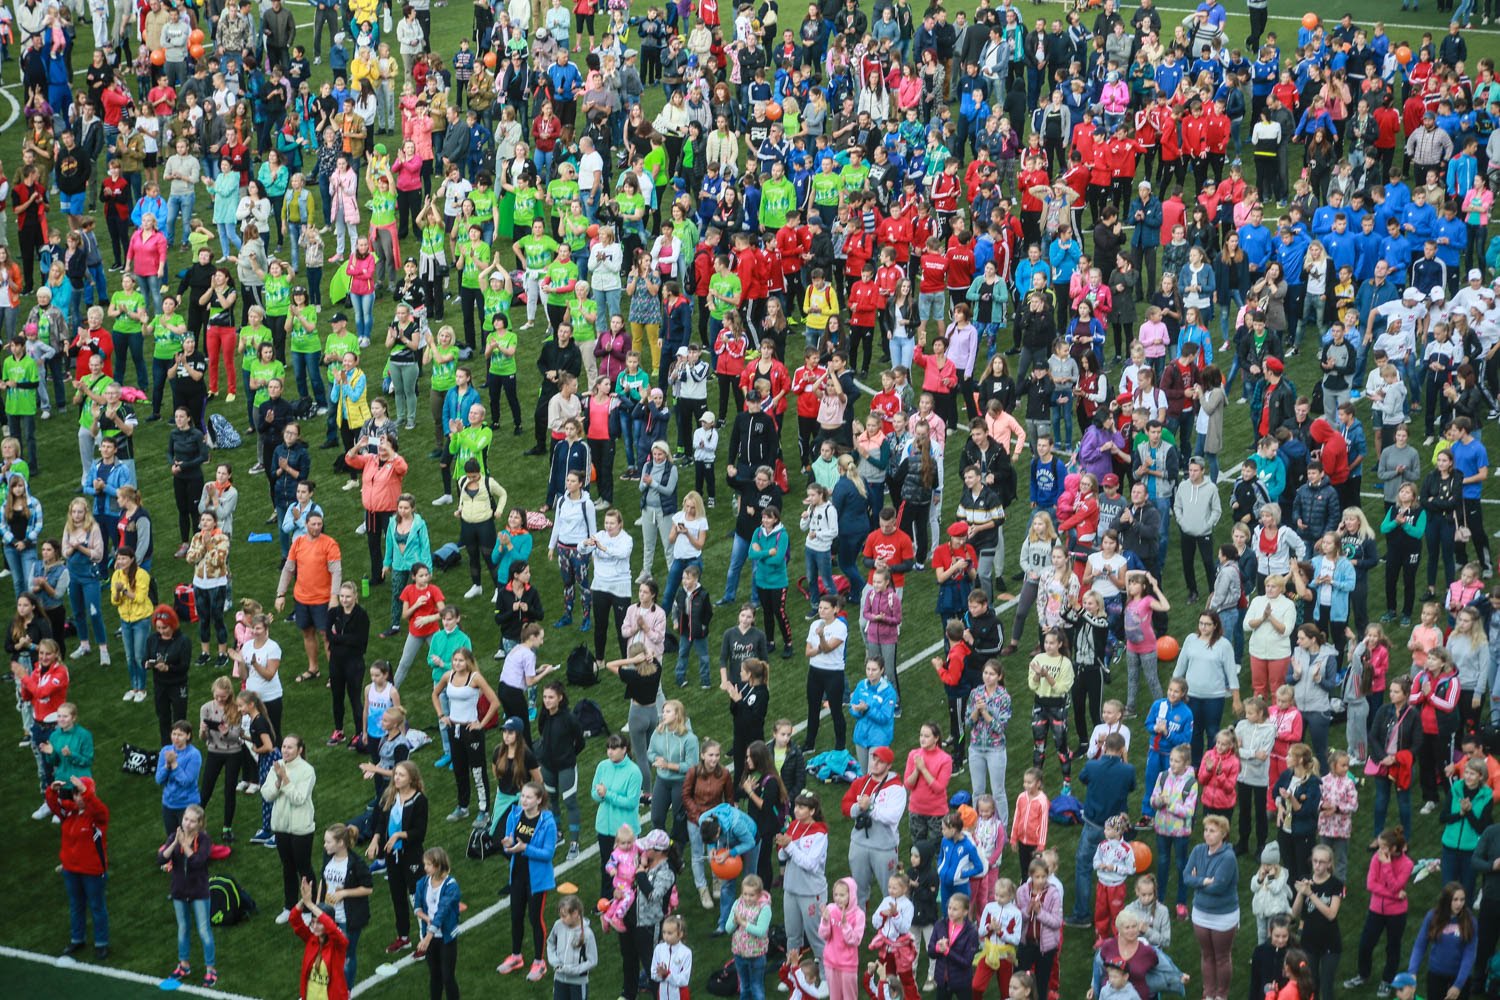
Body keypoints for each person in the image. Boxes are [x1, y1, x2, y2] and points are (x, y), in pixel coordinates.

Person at [365, 760, 428, 955]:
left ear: (411, 778)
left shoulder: (419, 800)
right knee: (397, 896)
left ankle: (425, 940)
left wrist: (398, 835)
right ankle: (403, 937)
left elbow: (419, 832)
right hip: (392, 856)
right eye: (396, 774)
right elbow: (381, 822)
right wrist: (375, 840)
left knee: (416, 898)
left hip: (411, 856)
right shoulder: (391, 796)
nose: (397, 778)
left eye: (401, 775)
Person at [48, 775, 110, 959]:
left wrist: (85, 791)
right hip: (71, 870)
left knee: (97, 907)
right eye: (76, 794)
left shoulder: (98, 815)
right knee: (76, 906)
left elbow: (97, 808)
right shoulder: (69, 812)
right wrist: (52, 791)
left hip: (92, 871)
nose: (78, 798)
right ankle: (77, 939)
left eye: (81, 794)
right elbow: (54, 805)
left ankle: (101, 943)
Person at [158, 804, 217, 988]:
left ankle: (211, 969)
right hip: (179, 891)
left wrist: (185, 845)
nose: (187, 824)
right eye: (185, 819)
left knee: (204, 930)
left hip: (199, 892)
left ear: (200, 823)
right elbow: (161, 858)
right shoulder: (174, 837)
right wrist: (175, 843)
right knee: (183, 928)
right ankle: (183, 965)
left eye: (192, 821)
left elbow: (198, 862)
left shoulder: (205, 840)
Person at [263, 733, 319, 926]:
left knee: (304, 869)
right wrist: (278, 782)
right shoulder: (277, 766)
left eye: (290, 747)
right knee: (287, 867)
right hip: (281, 826)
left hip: (301, 828)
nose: (285, 750)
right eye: (284, 746)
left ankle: (309, 907)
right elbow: (267, 794)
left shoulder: (307, 770)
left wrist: (285, 779)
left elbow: (299, 798)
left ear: (299, 750)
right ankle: (289, 907)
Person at [413, 847, 462, 1000]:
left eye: (428, 864)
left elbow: (442, 912)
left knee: (448, 977)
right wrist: (425, 918)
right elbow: (417, 907)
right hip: (431, 935)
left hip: (446, 937)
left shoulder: (451, 886)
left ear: (438, 865)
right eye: (425, 864)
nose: (425, 868)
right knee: (435, 976)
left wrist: (427, 938)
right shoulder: (422, 883)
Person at [145, 604, 192, 748]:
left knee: (179, 720)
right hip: (160, 685)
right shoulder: (152, 639)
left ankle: (182, 748)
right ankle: (166, 748)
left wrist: (168, 668)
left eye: (164, 628)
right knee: (163, 718)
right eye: (158, 628)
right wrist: (146, 664)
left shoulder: (183, 641)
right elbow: (145, 657)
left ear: (172, 624)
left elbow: (184, 666)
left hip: (178, 685)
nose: (161, 631)